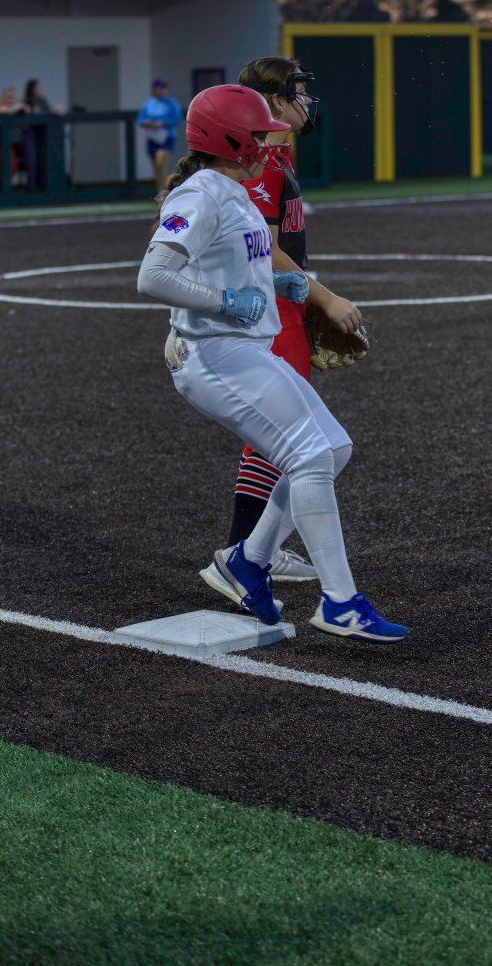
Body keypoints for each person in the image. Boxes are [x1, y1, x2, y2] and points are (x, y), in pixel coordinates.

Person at [137, 84, 408, 642]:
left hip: (241, 350)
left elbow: (235, 259)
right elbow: (153, 276)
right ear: (230, 139)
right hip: (212, 353)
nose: (270, 144)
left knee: (333, 448)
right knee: (309, 455)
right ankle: (340, 603)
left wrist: (275, 283)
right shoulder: (201, 195)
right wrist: (224, 301)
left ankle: (248, 561)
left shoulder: (233, 191)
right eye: (259, 135)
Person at [199, 57, 362, 600]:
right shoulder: (260, 161)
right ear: (271, 100)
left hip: (278, 304)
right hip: (268, 309)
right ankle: (244, 555)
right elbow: (263, 249)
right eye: (298, 91)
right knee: (289, 439)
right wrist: (324, 297)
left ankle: (253, 553)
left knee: (289, 438)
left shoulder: (274, 154)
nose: (307, 100)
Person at [137, 78, 183, 193]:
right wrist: (146, 122)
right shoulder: (148, 104)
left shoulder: (171, 103)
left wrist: (164, 123)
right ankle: (161, 190)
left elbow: (177, 118)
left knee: (160, 161)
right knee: (157, 167)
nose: (161, 91)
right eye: (158, 88)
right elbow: (140, 119)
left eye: (163, 88)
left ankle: (169, 189)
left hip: (167, 137)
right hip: (153, 137)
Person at [0, 86, 28, 190]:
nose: (9, 99)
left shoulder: (15, 109)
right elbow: (3, 110)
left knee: (12, 165)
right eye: (7, 97)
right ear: (3, 98)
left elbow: (27, 109)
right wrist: (19, 107)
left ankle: (3, 189)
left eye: (11, 97)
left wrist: (23, 107)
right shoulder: (0, 106)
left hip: (4, 140)